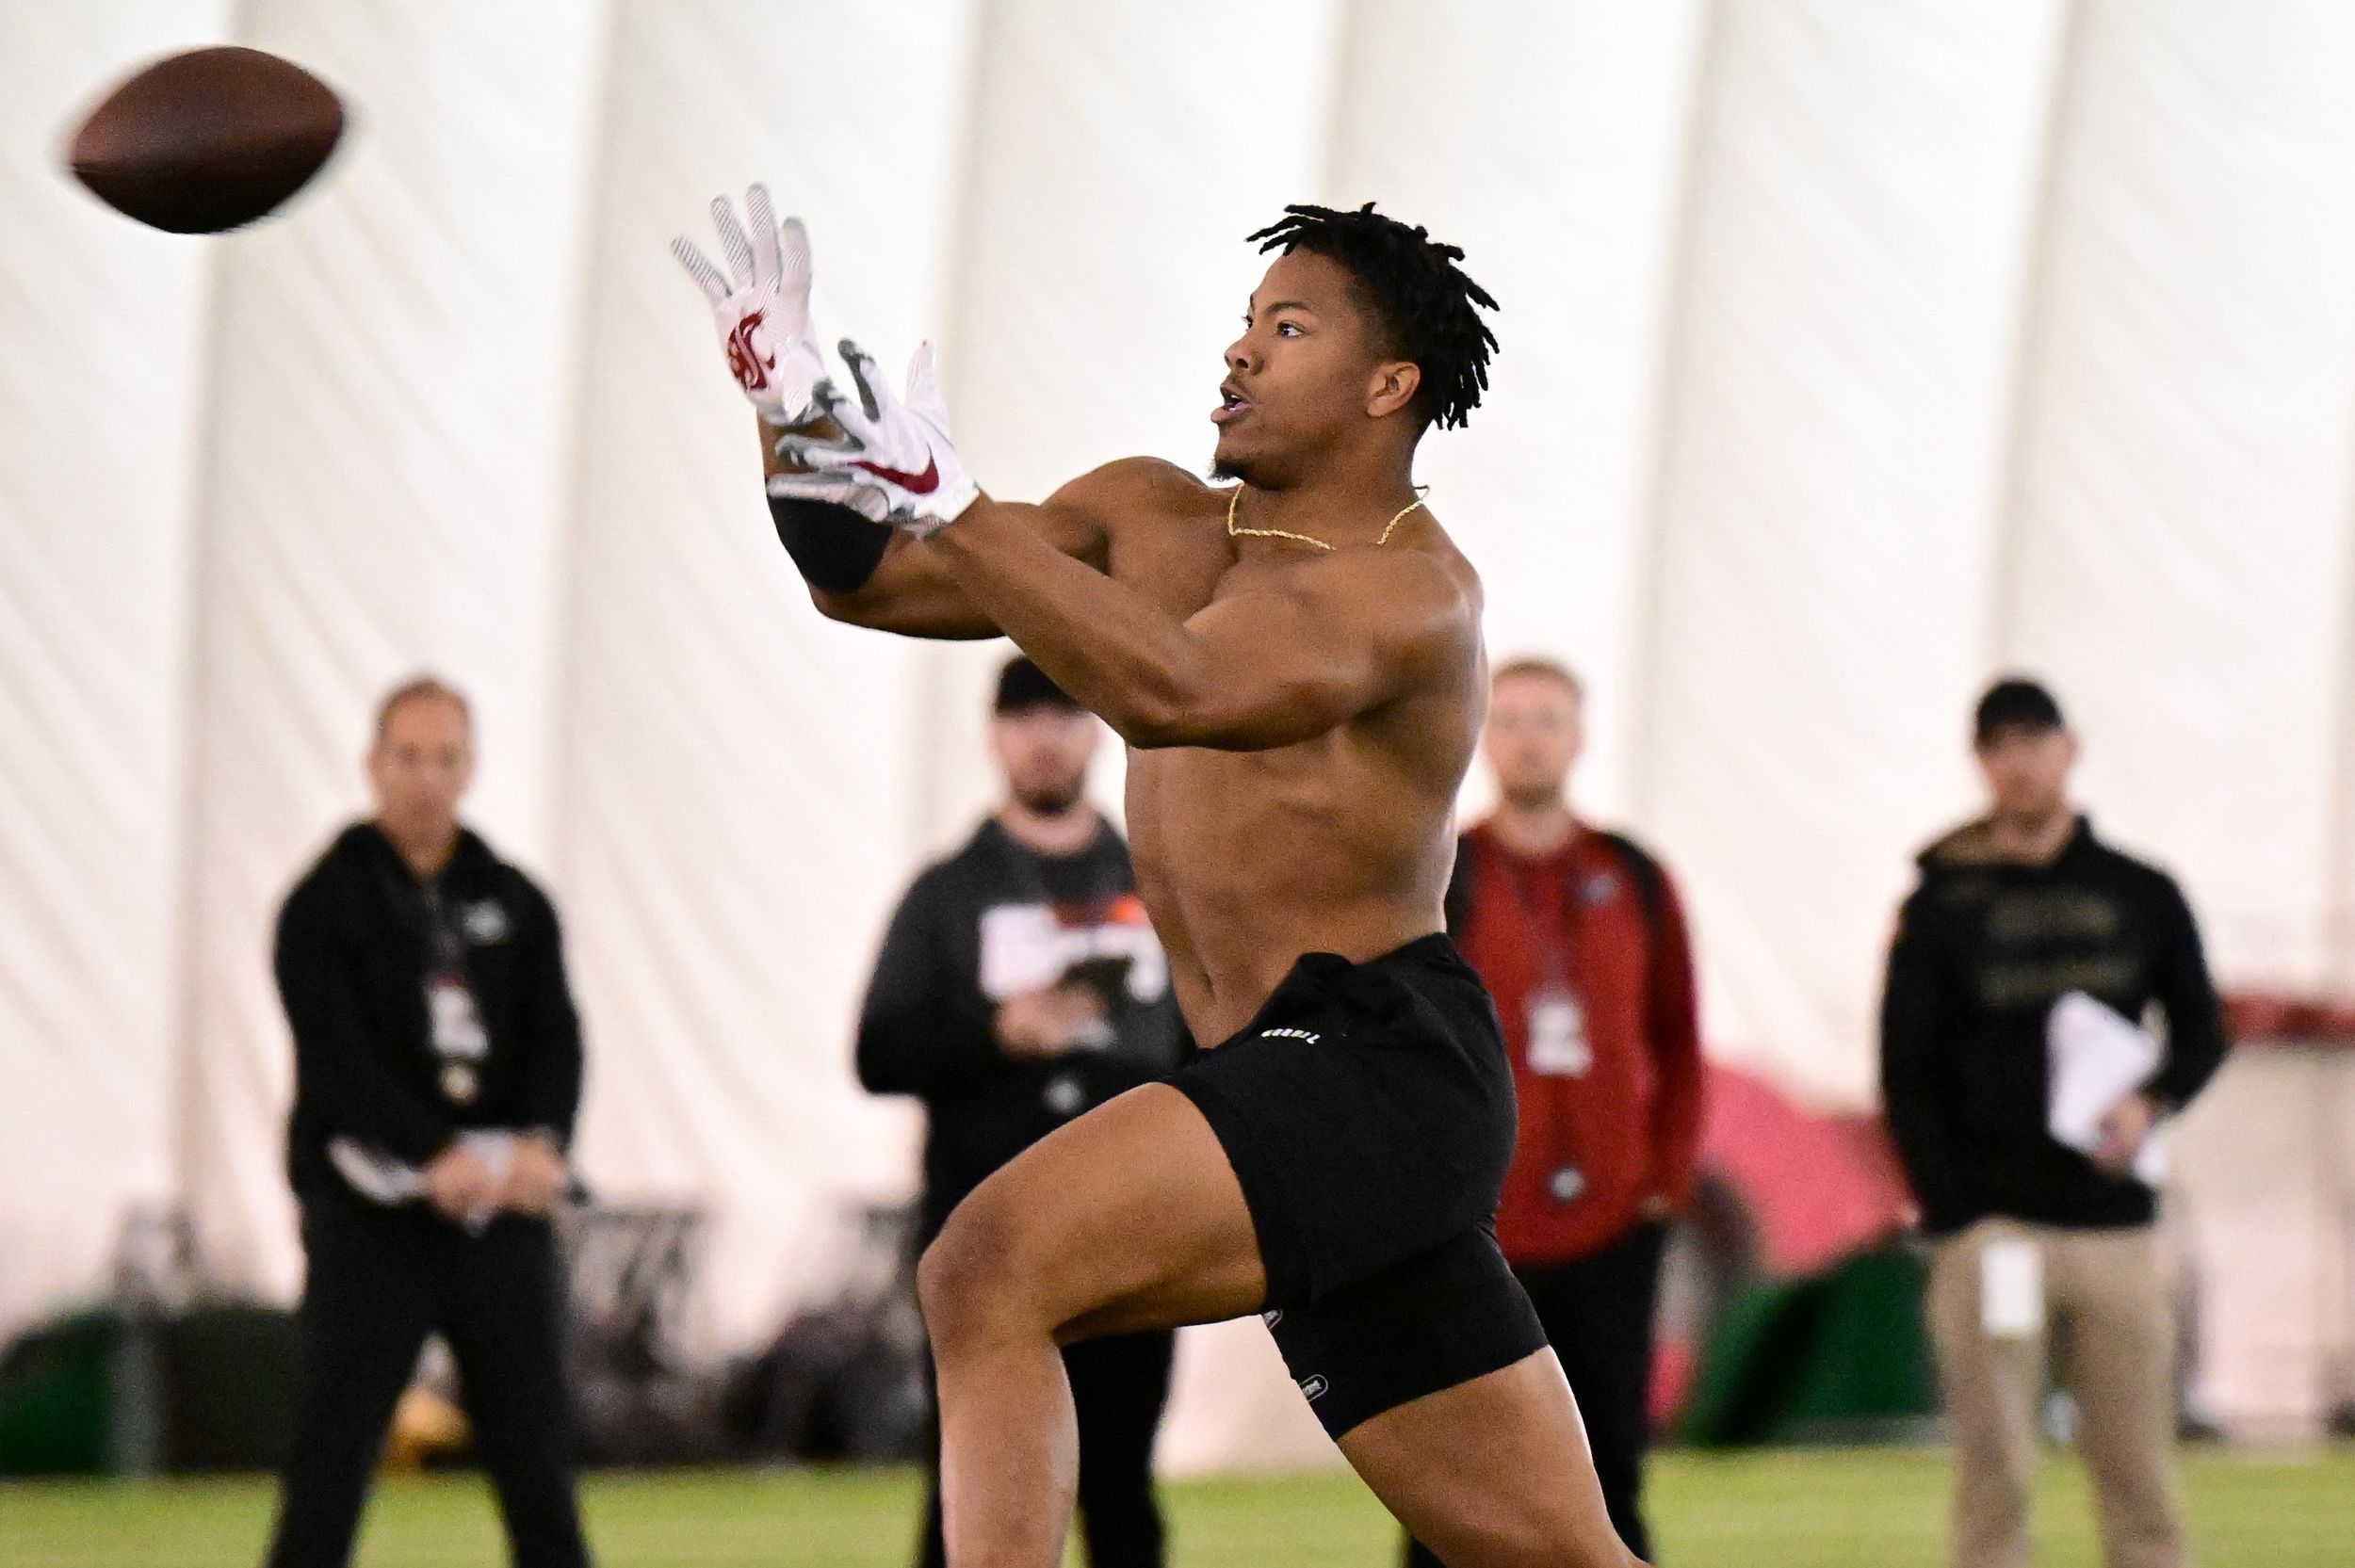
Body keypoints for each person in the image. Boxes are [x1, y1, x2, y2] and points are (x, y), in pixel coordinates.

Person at [676, 191, 1641, 1567]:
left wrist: (952, 500)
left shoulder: (1410, 592)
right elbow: (874, 581)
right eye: (1246, 322)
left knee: (984, 1266)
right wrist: (787, 405)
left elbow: (1178, 687)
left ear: (1388, 385)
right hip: (1280, 1071)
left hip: (1373, 1060)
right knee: (1559, 1556)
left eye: (1288, 327)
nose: (1240, 353)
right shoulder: (1151, 515)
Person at [1880, 677, 2229, 1568]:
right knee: (1995, 1468)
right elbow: (1905, 1065)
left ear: (2068, 751)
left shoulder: (2138, 892)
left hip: (2110, 1223)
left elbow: (2201, 1028)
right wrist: (1949, 1209)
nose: (2019, 764)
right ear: (1981, 761)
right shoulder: (1943, 905)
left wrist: (2148, 1101)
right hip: (1994, 1224)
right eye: (2001, 746)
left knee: (2137, 1466)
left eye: (2034, 742)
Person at [857, 655, 1187, 1568]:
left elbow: (1212, 1038)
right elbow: (878, 1051)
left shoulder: (1160, 875)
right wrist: (996, 1033)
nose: (1045, 741)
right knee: (969, 1485)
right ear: (994, 736)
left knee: (1120, 1483)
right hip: (990, 1229)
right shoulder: (950, 890)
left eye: (1064, 717)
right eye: (1024, 720)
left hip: (1134, 1228)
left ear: (1095, 732)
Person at [261, 676, 591, 1568]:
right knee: (328, 1469)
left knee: (540, 1477)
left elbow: (555, 1037)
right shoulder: (323, 905)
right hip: (373, 1220)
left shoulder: (515, 900)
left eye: (446, 757)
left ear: (470, 766)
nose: (427, 778)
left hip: (498, 1220)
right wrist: (430, 1151)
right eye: (409, 756)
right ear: (373, 765)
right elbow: (333, 1061)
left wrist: (541, 1143)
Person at [1399, 657, 1703, 1565]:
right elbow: (1407, 1050)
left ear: (1579, 737)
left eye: (1550, 719)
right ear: (1483, 740)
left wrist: (1664, 1184)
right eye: (1513, 719)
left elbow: (1679, 1042)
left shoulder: (1633, 876)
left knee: (1611, 1475)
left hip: (1613, 1226)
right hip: (1479, 1231)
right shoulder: (1444, 874)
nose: (1530, 738)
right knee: (1452, 1479)